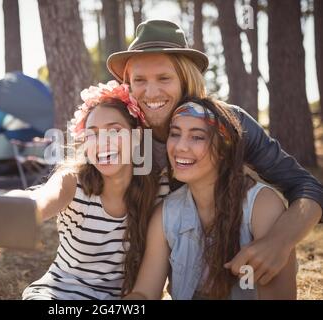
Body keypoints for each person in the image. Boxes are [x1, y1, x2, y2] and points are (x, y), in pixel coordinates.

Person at [106, 19, 323, 285]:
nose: (150, 92)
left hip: (233, 271)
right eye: (139, 80)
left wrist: (278, 242)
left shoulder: (231, 124)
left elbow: (306, 187)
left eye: (164, 78)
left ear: (186, 78)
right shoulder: (121, 134)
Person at [0, 81, 159, 299]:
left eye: (114, 130)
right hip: (57, 294)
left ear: (136, 137)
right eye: (93, 134)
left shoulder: (157, 191)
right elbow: (37, 201)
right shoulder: (72, 181)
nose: (102, 142)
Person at [124, 97, 297, 300]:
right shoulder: (166, 214)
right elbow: (145, 293)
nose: (180, 147)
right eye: (175, 134)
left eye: (197, 137)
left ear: (224, 148)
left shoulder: (262, 206)